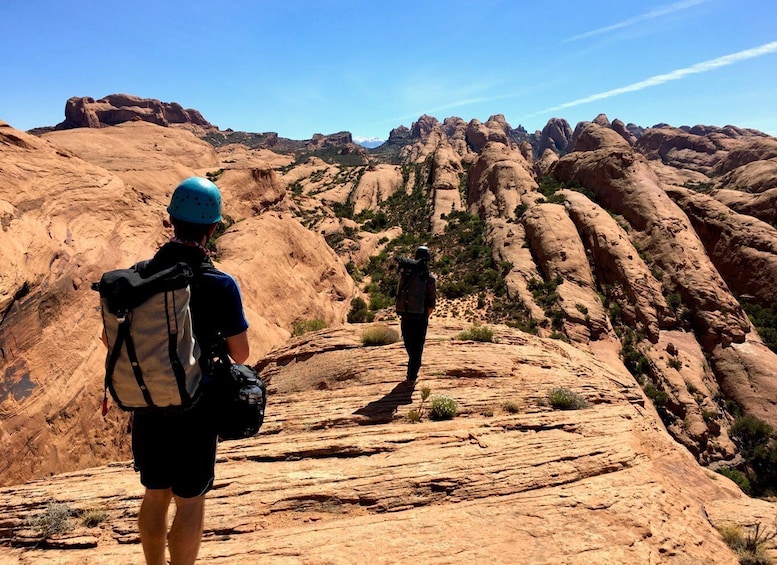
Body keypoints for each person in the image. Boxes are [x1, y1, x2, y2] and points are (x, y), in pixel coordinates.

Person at [104, 177, 249, 565]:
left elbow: (111, 341)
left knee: (154, 495)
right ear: (213, 228)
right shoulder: (220, 284)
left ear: (171, 220)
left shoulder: (138, 277)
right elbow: (241, 353)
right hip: (196, 407)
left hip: (147, 402)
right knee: (190, 501)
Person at [398, 245, 437, 382]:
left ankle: (411, 371)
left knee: (409, 345)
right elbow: (431, 304)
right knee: (417, 348)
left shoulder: (404, 274)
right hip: (420, 317)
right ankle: (411, 377)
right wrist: (424, 316)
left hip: (406, 315)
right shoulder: (429, 278)